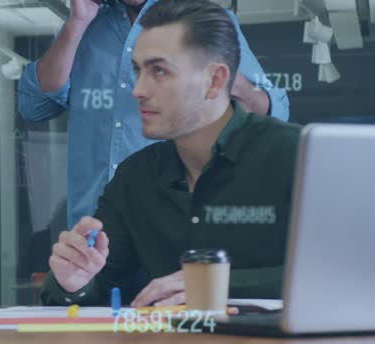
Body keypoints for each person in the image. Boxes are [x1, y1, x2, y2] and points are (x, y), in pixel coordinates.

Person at [40, 0, 301, 307]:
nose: (138, 89)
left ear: (214, 80)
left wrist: (213, 285)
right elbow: (95, 287)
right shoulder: (135, 177)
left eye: (159, 71)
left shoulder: (298, 157)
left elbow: (356, 270)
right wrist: (74, 282)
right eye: (138, 71)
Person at [18, 0, 290, 229]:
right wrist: (77, 21)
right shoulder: (85, 26)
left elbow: (271, 113)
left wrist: (216, 69)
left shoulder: (203, 19)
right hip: (93, 229)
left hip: (171, 227)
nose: (140, 89)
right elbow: (35, 106)